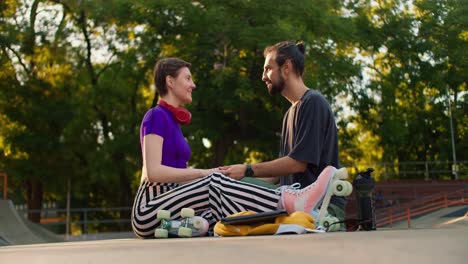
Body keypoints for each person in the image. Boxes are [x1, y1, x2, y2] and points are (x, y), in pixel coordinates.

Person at [131, 57, 345, 238]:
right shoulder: (155, 116)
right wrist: (206, 174)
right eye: (187, 78)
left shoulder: (173, 122)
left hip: (175, 206)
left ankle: (291, 222)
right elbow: (153, 173)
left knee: (220, 207)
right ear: (169, 81)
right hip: (150, 209)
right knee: (215, 182)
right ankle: (289, 200)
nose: (193, 84)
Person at [220, 41, 346, 220]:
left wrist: (247, 170)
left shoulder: (313, 103)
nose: (263, 77)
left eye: (268, 69)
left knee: (220, 186)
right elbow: (280, 174)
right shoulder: (290, 113)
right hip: (289, 200)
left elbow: (298, 163)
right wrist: (240, 179)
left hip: (324, 208)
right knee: (226, 185)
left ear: (286, 67)